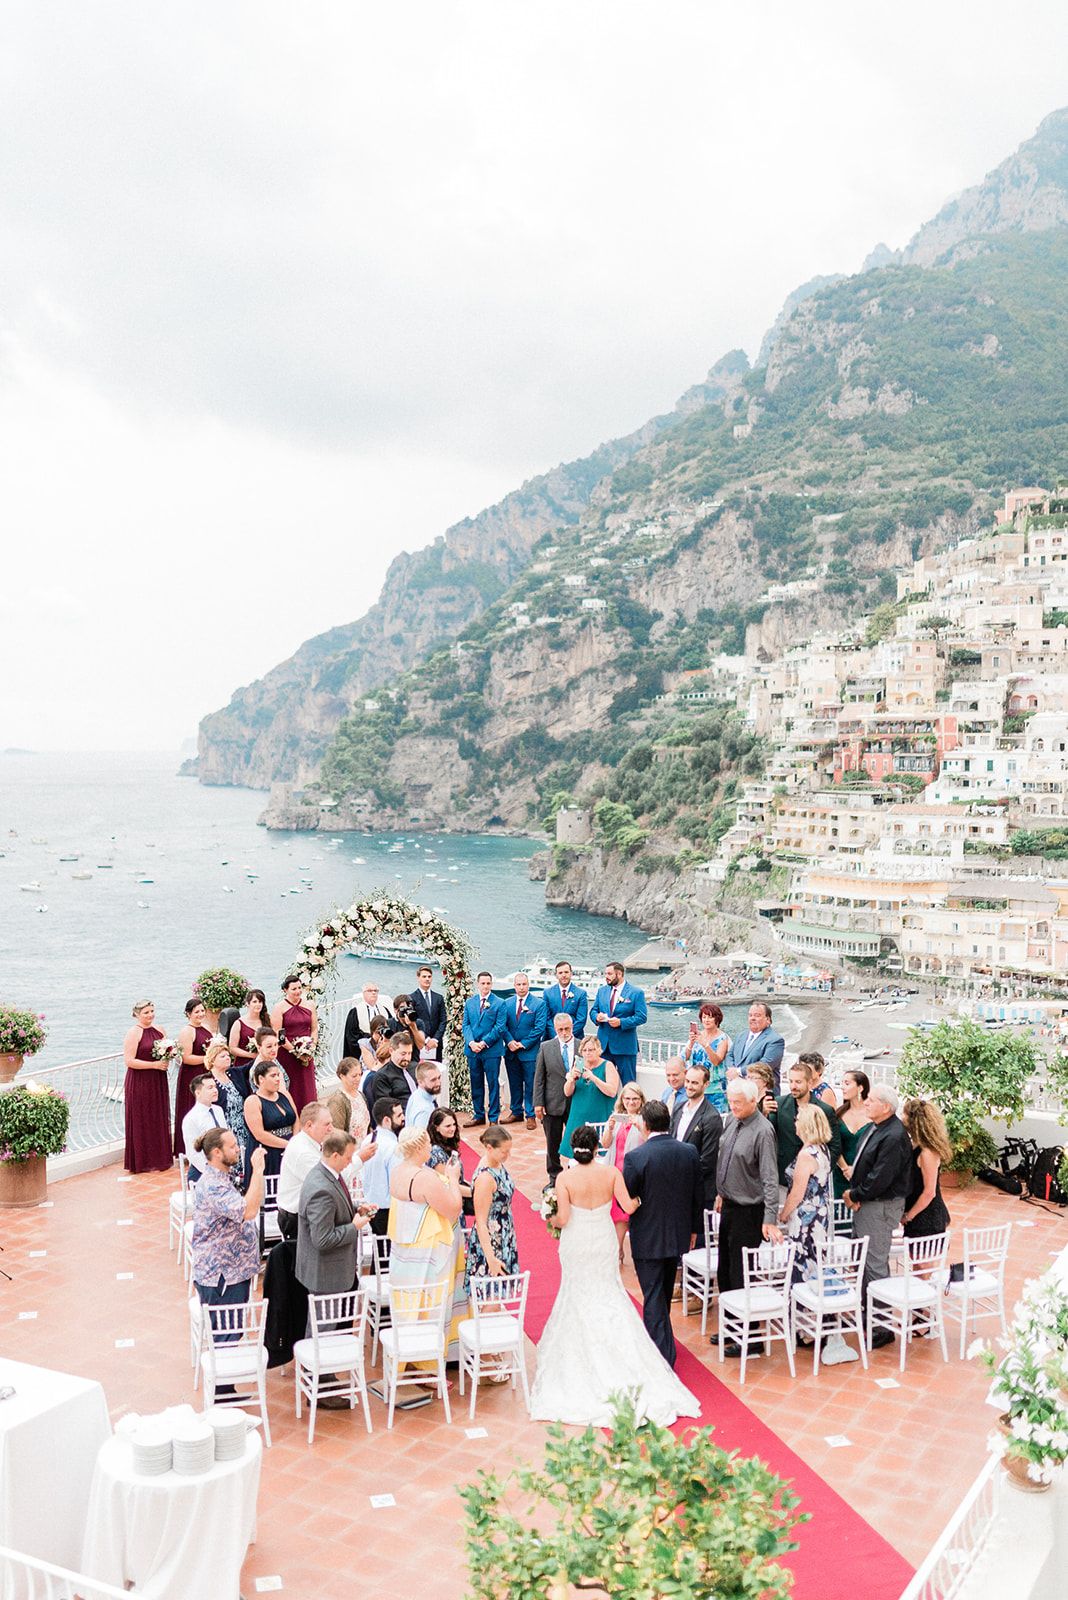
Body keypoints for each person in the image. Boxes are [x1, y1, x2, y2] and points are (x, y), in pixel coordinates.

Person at [532, 1121, 699, 1426]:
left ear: (574, 1149)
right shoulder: (610, 1173)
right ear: (597, 1148)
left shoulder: (565, 1179)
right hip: (604, 1240)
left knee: (577, 1291)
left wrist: (549, 1214)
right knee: (609, 1291)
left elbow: (564, 1218)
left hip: (578, 1242)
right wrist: (639, 1199)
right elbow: (629, 1207)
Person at [622, 1100, 704, 1369]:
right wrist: (693, 1229)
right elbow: (697, 1195)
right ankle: (662, 1344)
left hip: (648, 1237)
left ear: (645, 1125)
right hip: (678, 1234)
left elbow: (628, 1198)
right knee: (662, 1293)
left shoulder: (636, 1157)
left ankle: (660, 1358)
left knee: (654, 1296)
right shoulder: (689, 1151)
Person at [780, 1103, 856, 1365]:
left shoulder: (806, 1155)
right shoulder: (822, 1150)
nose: (795, 1122)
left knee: (801, 1271)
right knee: (816, 1267)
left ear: (808, 1124)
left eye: (799, 1119)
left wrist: (783, 1214)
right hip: (820, 1218)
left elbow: (798, 1192)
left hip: (805, 1221)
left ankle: (807, 1329)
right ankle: (814, 1324)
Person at [714, 1078, 782, 1357]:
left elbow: (769, 1178)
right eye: (731, 1102)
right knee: (725, 1270)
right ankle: (732, 1327)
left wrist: (770, 1217)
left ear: (754, 1102)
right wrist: (721, 1193)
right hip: (729, 1204)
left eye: (738, 1103)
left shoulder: (763, 1131)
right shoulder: (733, 1119)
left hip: (750, 1210)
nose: (733, 1107)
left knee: (742, 1274)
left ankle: (750, 1338)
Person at [842, 1084, 914, 1349]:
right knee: (863, 1261)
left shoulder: (894, 1135)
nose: (866, 1103)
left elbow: (881, 1176)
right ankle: (866, 1313)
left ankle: (881, 1325)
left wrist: (856, 1195)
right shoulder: (877, 1127)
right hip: (868, 1201)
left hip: (879, 1205)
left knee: (874, 1263)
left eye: (871, 1100)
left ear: (886, 1107)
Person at [387, 1124, 466, 1364]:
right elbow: (453, 1210)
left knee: (411, 1300)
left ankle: (409, 1354)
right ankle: (429, 1361)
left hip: (405, 1248)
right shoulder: (424, 1178)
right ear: (420, 1147)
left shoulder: (398, 1170)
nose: (431, 1147)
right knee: (432, 1302)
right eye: (427, 1143)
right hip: (430, 1249)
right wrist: (452, 1179)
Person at [190, 1129, 265, 1373]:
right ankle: (222, 1395)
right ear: (216, 1153)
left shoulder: (223, 1177)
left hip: (233, 1270)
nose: (238, 1150)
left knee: (233, 1332)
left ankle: (227, 1388)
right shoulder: (213, 1185)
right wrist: (259, 1171)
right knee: (225, 1337)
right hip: (221, 1274)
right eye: (233, 1147)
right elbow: (248, 1211)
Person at [295, 1130, 372, 1295]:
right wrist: (354, 1226)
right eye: (348, 1157)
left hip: (333, 1270)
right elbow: (322, 1239)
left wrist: (356, 1207)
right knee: (327, 1321)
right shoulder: (321, 1189)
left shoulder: (327, 1173)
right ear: (335, 1156)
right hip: (326, 1275)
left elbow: (335, 1206)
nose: (351, 1162)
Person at [770, 1060, 843, 1195]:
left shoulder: (824, 1109)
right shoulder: (779, 1104)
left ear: (810, 1083)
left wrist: (821, 1169)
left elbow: (835, 1146)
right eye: (790, 1081)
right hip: (782, 1178)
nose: (793, 1086)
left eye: (798, 1082)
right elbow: (769, 1135)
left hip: (813, 1182)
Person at [465, 1125, 520, 1290]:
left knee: (498, 1294)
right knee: (491, 1294)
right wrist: (491, 1259)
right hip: (491, 1240)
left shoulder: (495, 1163)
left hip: (504, 1233)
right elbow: (481, 1221)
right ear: (489, 1148)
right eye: (504, 1152)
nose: (508, 1155)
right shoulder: (485, 1178)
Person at [122, 999, 173, 1174]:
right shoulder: (133, 1033)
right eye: (146, 1012)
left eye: (152, 1011)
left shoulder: (160, 1030)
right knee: (141, 1118)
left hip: (158, 1079)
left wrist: (169, 1057)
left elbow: (168, 1051)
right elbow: (129, 1061)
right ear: (137, 1014)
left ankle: (159, 1157)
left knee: (157, 1116)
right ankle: (141, 1161)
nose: (150, 1015)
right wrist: (154, 1065)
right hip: (140, 1081)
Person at [670, 1064, 723, 1230]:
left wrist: (680, 1175)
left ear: (705, 1085)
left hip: (698, 1191)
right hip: (675, 1184)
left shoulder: (712, 1117)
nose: (689, 1086)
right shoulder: (679, 1108)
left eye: (694, 1083)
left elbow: (707, 1161)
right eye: (687, 1081)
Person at [601, 1083, 647, 1262]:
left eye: (635, 1099)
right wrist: (610, 1128)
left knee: (629, 1213)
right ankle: (618, 1249)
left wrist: (639, 1126)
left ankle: (637, 1252)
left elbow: (649, 1141)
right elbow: (605, 1144)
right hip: (615, 1170)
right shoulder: (616, 1118)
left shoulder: (645, 1119)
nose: (631, 1102)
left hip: (633, 1172)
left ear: (641, 1100)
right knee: (618, 1214)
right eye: (627, 1098)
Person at [277, 1101, 334, 1238]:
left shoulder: (309, 1143)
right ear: (309, 1125)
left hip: (304, 1214)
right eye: (327, 1124)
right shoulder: (302, 1151)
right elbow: (328, 1181)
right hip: (296, 1219)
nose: (331, 1129)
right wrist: (359, 1159)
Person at [533, 1013, 577, 1186]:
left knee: (577, 1141)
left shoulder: (582, 1047)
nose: (564, 1032)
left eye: (567, 1028)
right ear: (555, 1029)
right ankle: (554, 1177)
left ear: (572, 1027)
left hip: (576, 1104)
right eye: (560, 1029)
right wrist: (538, 1103)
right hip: (552, 1103)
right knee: (553, 1144)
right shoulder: (546, 1047)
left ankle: (574, 1174)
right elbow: (539, 1077)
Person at [560, 1035, 620, 1161]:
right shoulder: (578, 1064)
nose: (588, 1053)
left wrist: (593, 1077)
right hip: (578, 1116)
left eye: (591, 1050)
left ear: (598, 1050)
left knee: (599, 1156)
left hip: (599, 1115)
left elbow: (612, 1091)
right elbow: (567, 1092)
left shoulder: (607, 1066)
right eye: (585, 1050)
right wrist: (571, 1080)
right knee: (575, 1156)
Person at [901, 1097, 952, 1239]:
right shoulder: (915, 1146)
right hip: (917, 1214)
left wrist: (908, 1216)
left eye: (904, 1114)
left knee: (923, 1261)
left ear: (914, 1120)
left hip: (926, 1218)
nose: (901, 1118)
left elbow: (929, 1192)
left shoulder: (927, 1153)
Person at [590, 961, 647, 1086]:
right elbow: (593, 1010)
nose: (606, 976)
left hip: (625, 1047)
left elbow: (642, 1017)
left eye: (610, 974)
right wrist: (596, 1017)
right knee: (601, 1084)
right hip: (604, 1047)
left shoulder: (636, 993)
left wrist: (621, 1022)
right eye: (605, 973)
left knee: (629, 1085)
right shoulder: (602, 991)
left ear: (619, 974)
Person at [462, 972, 507, 1128]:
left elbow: (500, 1027)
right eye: (483, 983)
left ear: (491, 984)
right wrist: (471, 1043)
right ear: (478, 984)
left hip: (491, 1051)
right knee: (476, 1083)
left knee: (493, 1083)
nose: (486, 986)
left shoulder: (500, 1003)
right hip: (473, 1051)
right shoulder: (470, 1002)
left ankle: (493, 1117)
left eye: (488, 983)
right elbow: (466, 1025)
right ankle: (478, 1114)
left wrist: (484, 1043)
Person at [502, 972, 547, 1128]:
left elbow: (539, 1028)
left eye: (524, 984)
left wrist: (523, 1044)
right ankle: (516, 1112)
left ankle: (530, 1114)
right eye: (518, 984)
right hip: (511, 1051)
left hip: (529, 1052)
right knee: (514, 1083)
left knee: (530, 1084)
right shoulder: (506, 1003)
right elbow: (503, 1025)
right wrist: (509, 1041)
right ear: (514, 986)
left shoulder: (538, 1004)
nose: (521, 987)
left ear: (528, 985)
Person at [242, 1059, 297, 1185]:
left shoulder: (285, 1095)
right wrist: (288, 1145)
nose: (278, 1079)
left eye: (278, 1075)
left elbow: (296, 1119)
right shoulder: (253, 1101)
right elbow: (259, 1134)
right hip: (268, 1151)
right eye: (273, 1076)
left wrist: (295, 1141)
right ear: (261, 1079)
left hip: (290, 1146)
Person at [270, 975, 318, 1112]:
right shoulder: (279, 1008)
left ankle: (310, 1112)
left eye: (299, 988)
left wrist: (311, 1047)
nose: (297, 991)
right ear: (285, 990)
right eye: (293, 989)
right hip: (288, 1053)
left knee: (307, 1085)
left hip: (307, 1052)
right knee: (292, 1085)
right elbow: (279, 1035)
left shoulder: (309, 1005)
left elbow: (314, 1029)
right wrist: (296, 1052)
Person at [205, 1040, 251, 1182]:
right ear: (213, 1060)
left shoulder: (233, 1074)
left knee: (244, 1157)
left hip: (242, 1125)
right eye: (222, 1056)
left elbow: (251, 1066)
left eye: (228, 1056)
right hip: (225, 1127)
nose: (227, 1059)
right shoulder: (208, 1080)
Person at [174, 998, 213, 1157]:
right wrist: (208, 1058)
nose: (200, 1014)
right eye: (197, 1011)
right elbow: (187, 1058)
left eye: (202, 1010)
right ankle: (188, 1150)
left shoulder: (206, 1027)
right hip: (192, 1075)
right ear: (188, 1014)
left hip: (206, 1073)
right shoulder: (187, 1031)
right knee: (191, 1107)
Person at [361, 1097, 406, 1236]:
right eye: (399, 1115)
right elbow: (398, 1184)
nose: (403, 1118)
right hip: (388, 1210)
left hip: (372, 1206)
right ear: (387, 1120)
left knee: (380, 1251)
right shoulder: (393, 1147)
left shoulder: (368, 1140)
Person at [722, 1002, 785, 1094]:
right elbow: (730, 1054)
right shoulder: (741, 1035)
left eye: (757, 1015)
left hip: (762, 1094)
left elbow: (765, 1065)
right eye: (750, 1015)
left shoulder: (775, 1040)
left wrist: (739, 1071)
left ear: (768, 1019)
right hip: (739, 1091)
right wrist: (732, 1069)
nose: (752, 1018)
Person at [683, 1003, 731, 1113]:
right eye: (704, 1017)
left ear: (717, 1019)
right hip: (696, 1087)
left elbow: (716, 1061)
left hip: (716, 1089)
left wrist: (706, 1045)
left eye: (710, 1017)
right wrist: (691, 1043)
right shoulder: (698, 1035)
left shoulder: (723, 1038)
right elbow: (685, 1056)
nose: (706, 1020)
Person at [427, 1106, 474, 1216]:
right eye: (448, 1126)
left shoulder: (447, 1143)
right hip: (448, 1206)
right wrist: (476, 1192)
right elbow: (447, 1184)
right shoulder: (435, 1152)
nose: (452, 1128)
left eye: (454, 1124)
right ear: (436, 1127)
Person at [833, 1069, 872, 1199]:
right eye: (842, 1083)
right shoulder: (839, 1114)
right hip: (841, 1174)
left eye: (847, 1083)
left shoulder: (873, 1114)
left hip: (867, 1174)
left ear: (860, 1088)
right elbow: (834, 1144)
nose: (842, 1087)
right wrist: (845, 1169)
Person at [182, 1074, 227, 1179]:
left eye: (215, 1087)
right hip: (203, 1172)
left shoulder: (218, 1110)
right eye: (210, 1088)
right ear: (198, 1093)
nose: (215, 1090)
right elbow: (193, 1153)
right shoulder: (191, 1118)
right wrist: (213, 1172)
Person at [323, 1056, 371, 1143]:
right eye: (354, 1076)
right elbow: (336, 1133)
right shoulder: (337, 1100)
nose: (358, 1079)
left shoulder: (360, 1095)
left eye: (360, 1074)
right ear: (342, 1076)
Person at [342, 982, 396, 1058]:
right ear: (364, 994)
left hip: (384, 1049)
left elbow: (391, 1029)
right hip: (363, 1050)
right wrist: (370, 1043)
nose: (373, 993)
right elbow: (352, 1036)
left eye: (375, 991)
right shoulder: (356, 1012)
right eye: (370, 991)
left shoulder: (384, 1010)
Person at [541, 960, 588, 1042]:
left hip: (574, 1038)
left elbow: (581, 1019)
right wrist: (557, 1035)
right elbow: (546, 1018)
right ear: (556, 975)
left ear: (571, 973)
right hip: (552, 1039)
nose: (564, 975)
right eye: (560, 973)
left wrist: (568, 1035)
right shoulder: (547, 993)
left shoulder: (581, 994)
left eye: (566, 972)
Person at [408, 965, 446, 1061]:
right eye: (424, 976)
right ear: (418, 978)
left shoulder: (438, 998)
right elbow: (413, 1022)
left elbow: (443, 1020)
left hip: (436, 1044)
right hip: (419, 1043)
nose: (427, 979)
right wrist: (426, 1040)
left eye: (429, 976)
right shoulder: (411, 998)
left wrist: (435, 1039)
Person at [227, 988, 269, 1075]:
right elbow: (232, 1048)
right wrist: (251, 1055)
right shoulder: (239, 1023)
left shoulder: (268, 1020)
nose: (258, 1004)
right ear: (247, 1003)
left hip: (264, 1064)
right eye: (255, 1002)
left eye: (260, 1002)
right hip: (244, 1065)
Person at [374, 1030, 418, 1109]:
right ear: (391, 1051)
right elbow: (387, 1109)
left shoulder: (415, 1068)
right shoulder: (382, 1076)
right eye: (403, 1054)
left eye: (409, 1053)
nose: (407, 1058)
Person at [405, 1060, 442, 1133]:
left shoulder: (416, 1094)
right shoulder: (424, 1110)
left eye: (439, 1077)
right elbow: (421, 1140)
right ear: (420, 1082)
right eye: (433, 1080)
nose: (438, 1083)